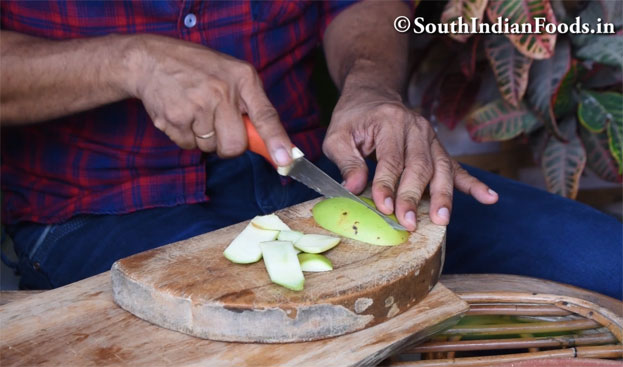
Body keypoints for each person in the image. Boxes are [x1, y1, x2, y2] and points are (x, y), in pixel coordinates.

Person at [1, 1, 620, 299]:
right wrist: (128, 62)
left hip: (313, 174)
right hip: (99, 207)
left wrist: (370, 85)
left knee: (605, 263)